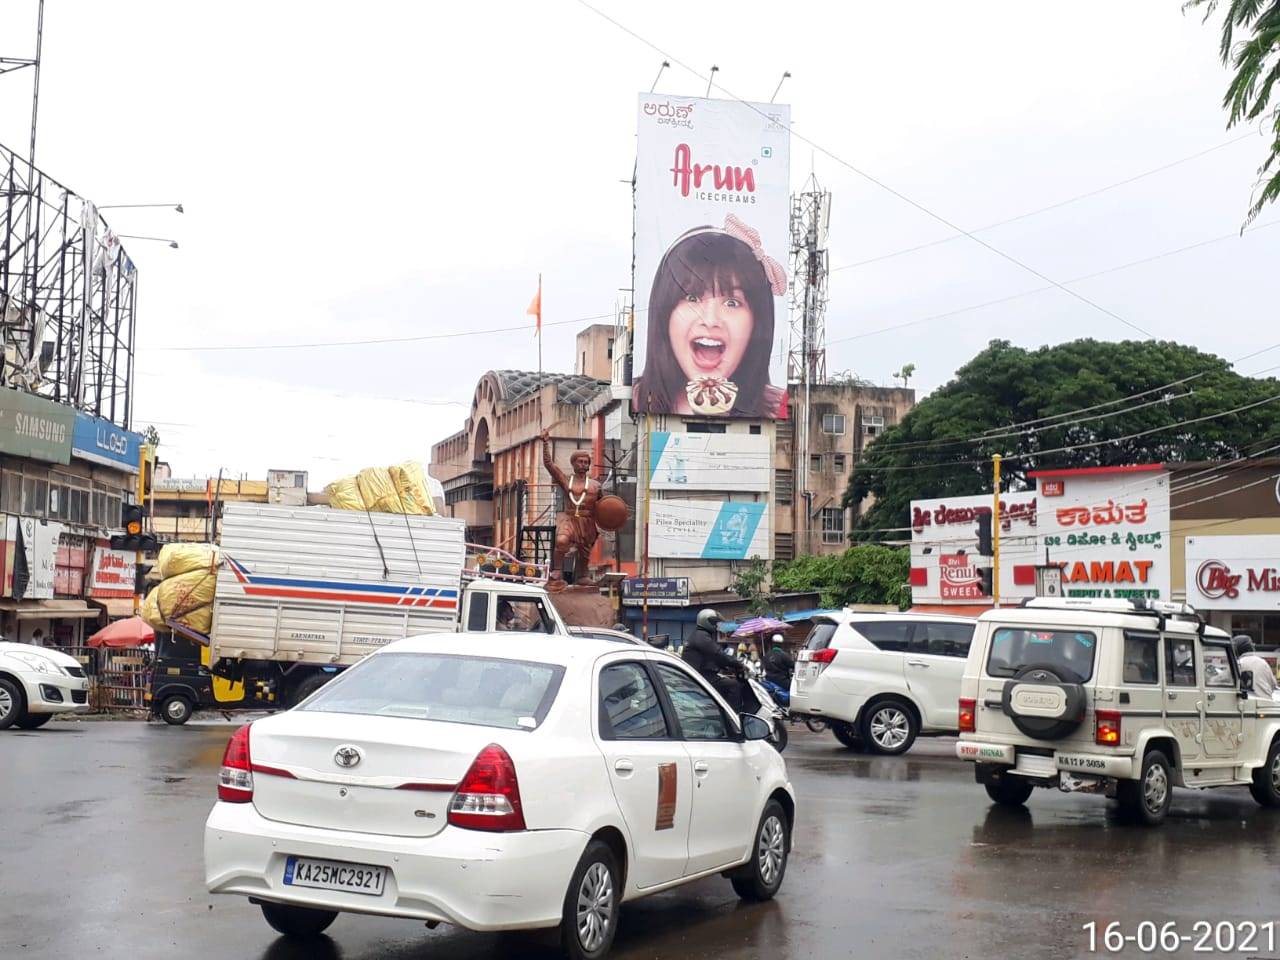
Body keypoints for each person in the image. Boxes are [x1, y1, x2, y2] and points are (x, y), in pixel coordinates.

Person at [632, 214, 788, 419]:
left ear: (757, 322)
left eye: (732, 303)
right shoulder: (636, 400)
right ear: (664, 315)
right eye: (692, 297)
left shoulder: (777, 408)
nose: (711, 320)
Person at [539, 429, 602, 581]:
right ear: (573, 463)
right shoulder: (567, 480)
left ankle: (583, 575)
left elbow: (604, 507)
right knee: (562, 541)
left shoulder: (595, 485)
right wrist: (546, 443)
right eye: (580, 461)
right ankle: (557, 570)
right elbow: (549, 465)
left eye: (586, 462)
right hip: (570, 519)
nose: (583, 464)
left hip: (587, 521)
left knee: (584, 551)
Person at [682, 609, 744, 709]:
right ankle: (733, 714)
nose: (716, 625)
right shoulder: (702, 636)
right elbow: (718, 654)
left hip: (698, 675)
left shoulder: (700, 635)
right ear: (706, 621)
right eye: (714, 622)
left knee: (727, 681)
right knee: (734, 685)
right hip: (701, 677)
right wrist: (738, 663)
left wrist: (726, 667)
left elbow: (713, 657)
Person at [1234, 635, 1277, 699]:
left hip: (1249, 703)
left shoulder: (1238, 664)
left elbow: (1222, 680)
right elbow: (1273, 685)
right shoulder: (1263, 662)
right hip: (1268, 702)